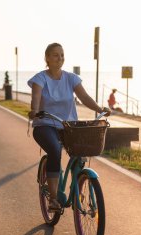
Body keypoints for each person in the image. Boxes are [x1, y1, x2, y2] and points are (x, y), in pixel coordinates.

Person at [28, 43, 110, 212]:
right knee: (55, 150)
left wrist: (100, 109)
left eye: (62, 55)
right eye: (56, 55)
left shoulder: (71, 78)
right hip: (45, 125)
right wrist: (35, 111)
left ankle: (78, 190)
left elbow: (84, 97)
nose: (60, 58)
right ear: (47, 58)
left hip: (68, 126)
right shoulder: (40, 79)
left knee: (80, 153)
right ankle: (53, 199)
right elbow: (35, 98)